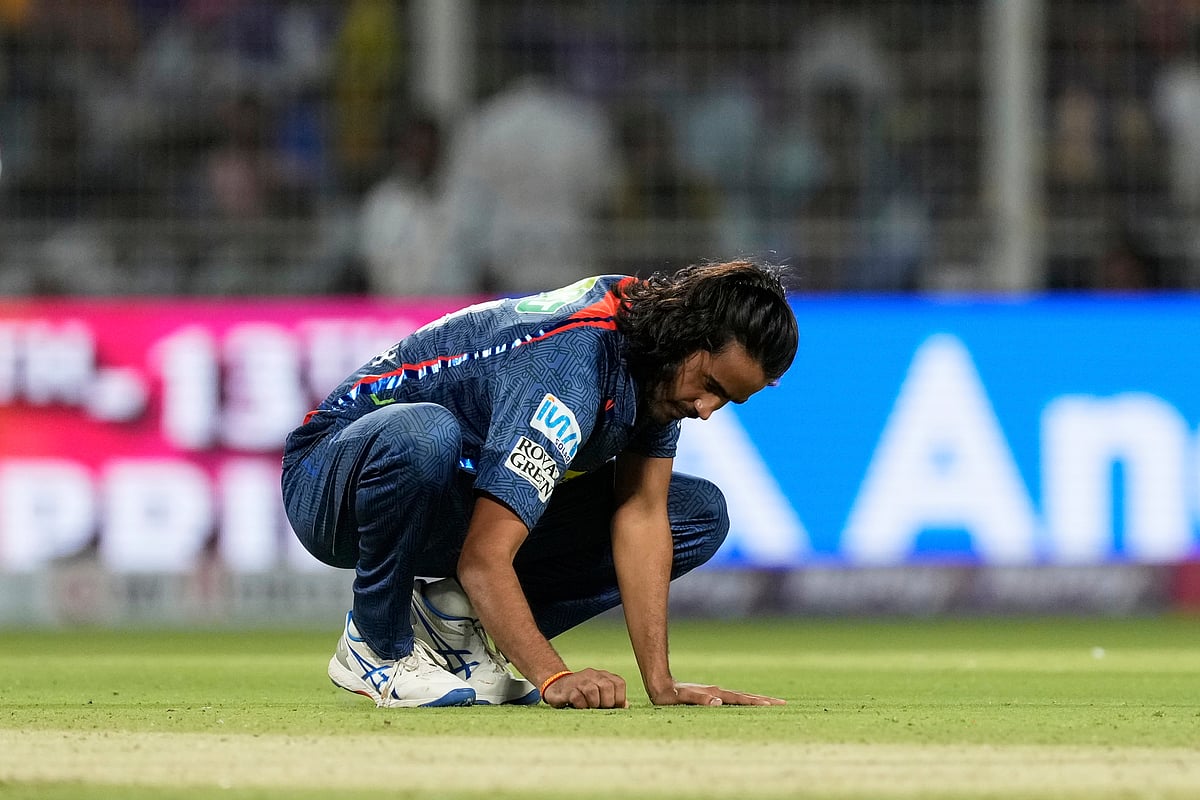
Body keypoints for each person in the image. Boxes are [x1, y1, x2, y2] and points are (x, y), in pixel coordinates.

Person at [281, 260, 798, 709]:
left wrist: (660, 684)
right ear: (690, 337)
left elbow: (642, 516)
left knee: (696, 513)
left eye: (727, 400)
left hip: (445, 498)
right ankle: (376, 644)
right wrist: (553, 676)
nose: (707, 411)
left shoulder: (656, 361)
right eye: (710, 387)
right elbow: (484, 556)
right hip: (329, 480)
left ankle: (452, 621)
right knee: (425, 435)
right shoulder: (570, 366)